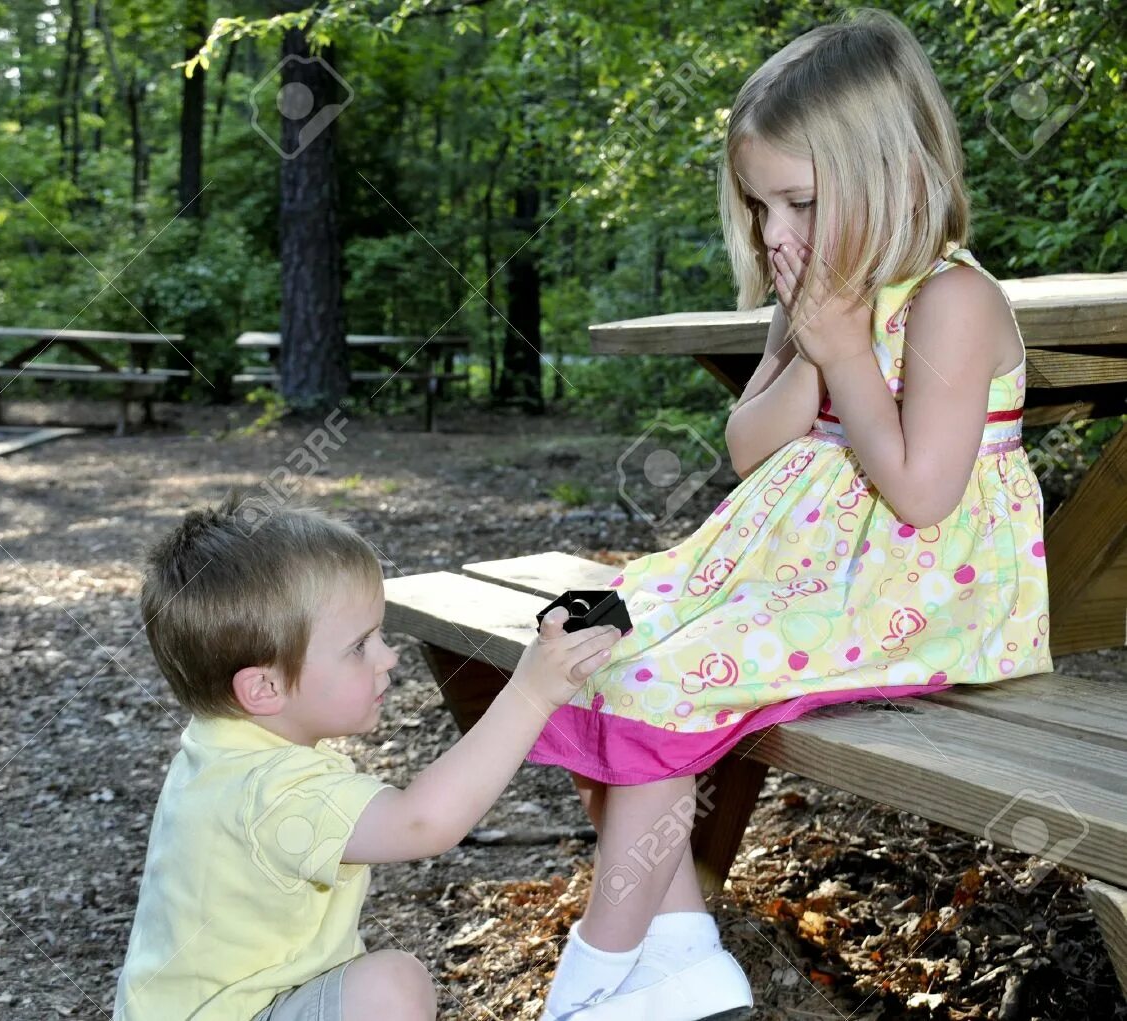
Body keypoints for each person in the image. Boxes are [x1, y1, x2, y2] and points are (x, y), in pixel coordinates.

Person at [528, 8, 1053, 1020]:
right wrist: (812, 340)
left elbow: (921, 492)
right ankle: (680, 958)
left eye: (798, 202)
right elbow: (747, 444)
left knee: (659, 679)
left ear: (890, 172)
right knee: (589, 640)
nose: (774, 234)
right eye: (759, 206)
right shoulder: (812, 292)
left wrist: (848, 349)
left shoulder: (953, 301)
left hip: (914, 590)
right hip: (798, 571)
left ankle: (593, 973)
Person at [113, 495, 621, 1021]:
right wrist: (532, 692)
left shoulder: (220, 745)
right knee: (388, 988)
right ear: (264, 687)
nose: (388, 656)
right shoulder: (270, 791)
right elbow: (421, 822)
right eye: (359, 646)